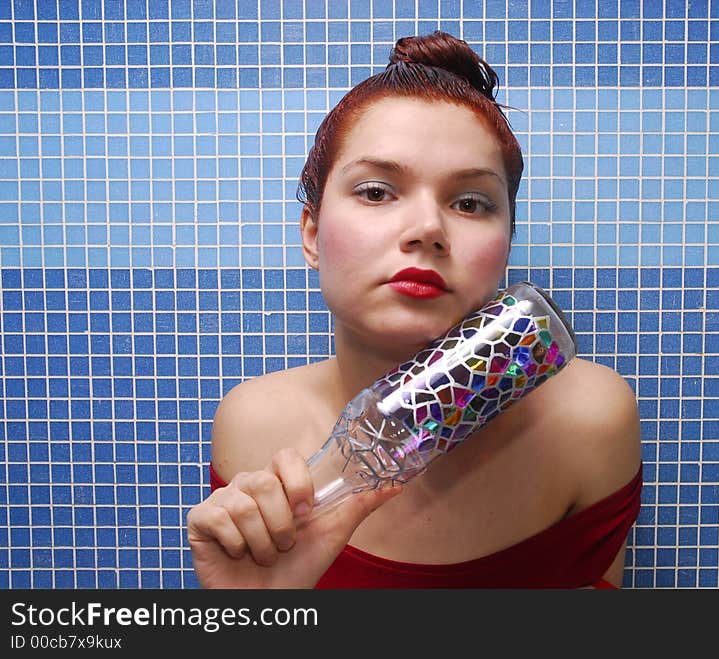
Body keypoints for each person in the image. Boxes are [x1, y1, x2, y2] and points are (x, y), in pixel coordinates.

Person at [186, 31, 642, 589]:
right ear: (311, 232)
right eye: (377, 192)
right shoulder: (254, 427)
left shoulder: (590, 420)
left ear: (506, 245)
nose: (428, 228)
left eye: (470, 202)